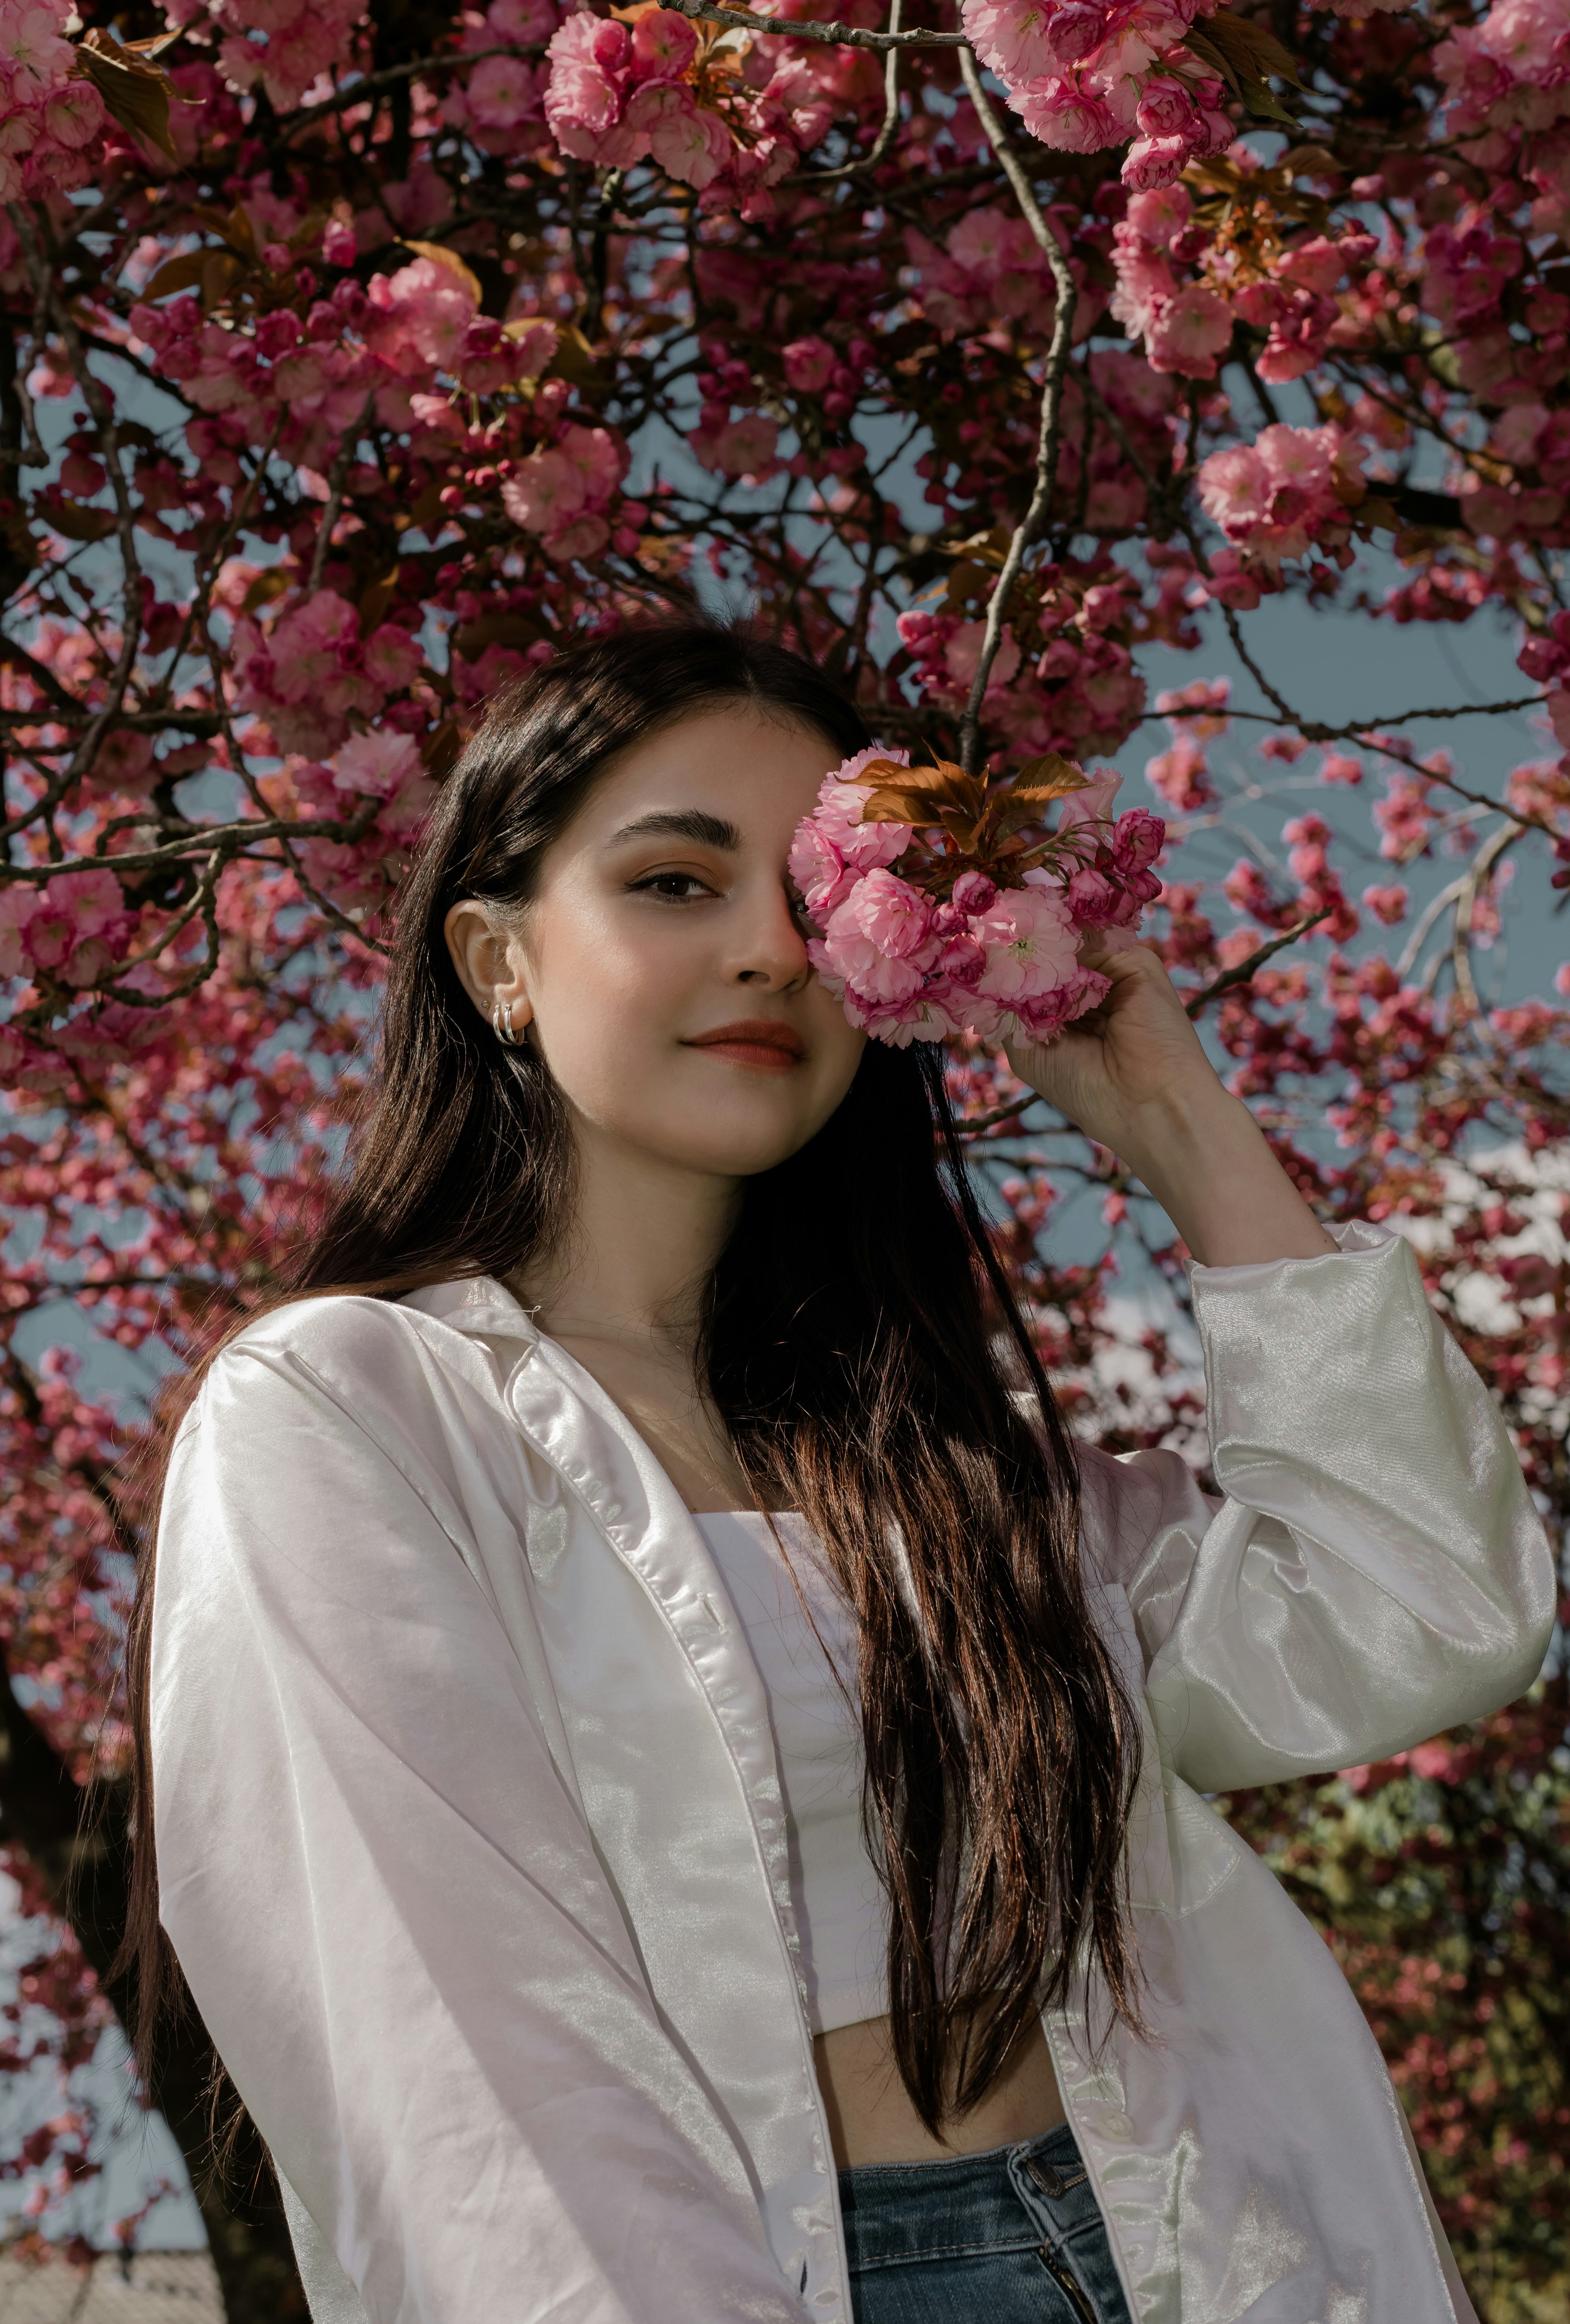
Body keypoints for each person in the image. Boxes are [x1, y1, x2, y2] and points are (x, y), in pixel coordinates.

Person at [130, 621, 1555, 2324]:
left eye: (819, 906)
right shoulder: (350, 1417)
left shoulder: (957, 1481)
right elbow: (448, 2072)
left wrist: (1172, 1112)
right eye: (673, 883)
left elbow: (1437, 1604)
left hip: (1196, 2243)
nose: (767, 956)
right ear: (497, 960)